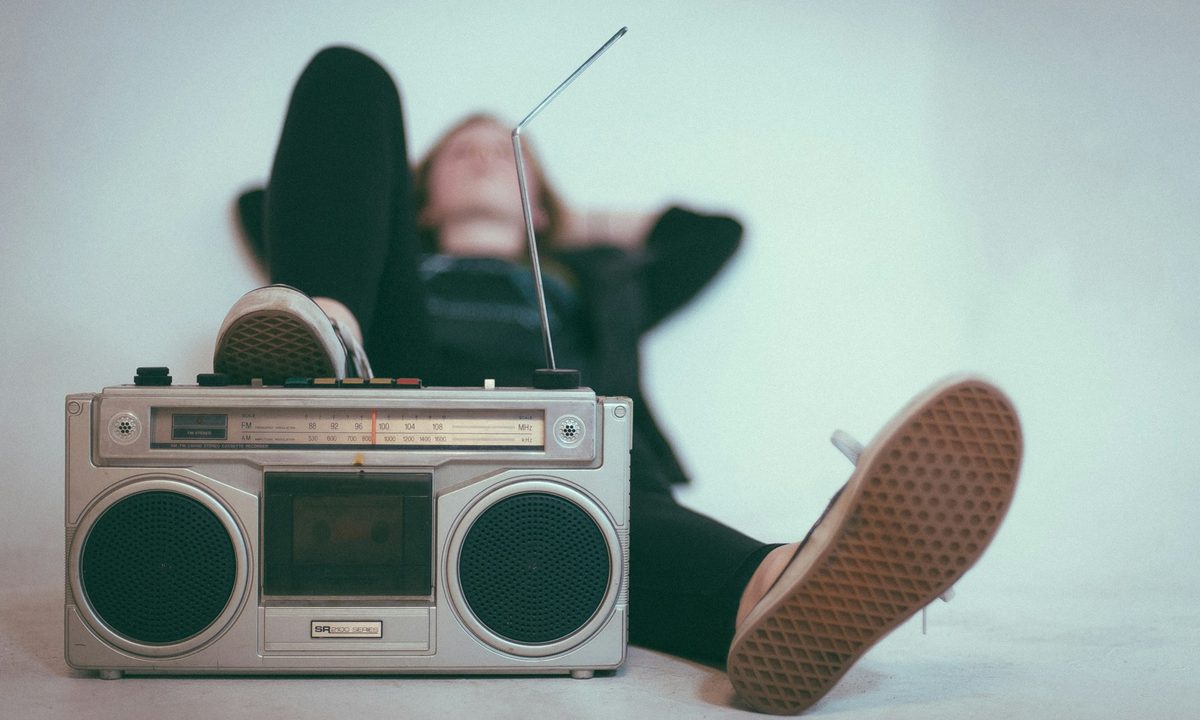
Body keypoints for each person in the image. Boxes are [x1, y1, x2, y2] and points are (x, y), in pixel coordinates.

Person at [217, 46, 1023, 715]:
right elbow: (272, 202)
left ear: (542, 207)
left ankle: (780, 588)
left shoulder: (602, 280)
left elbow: (713, 235)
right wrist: (379, 234)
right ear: (418, 190)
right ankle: (327, 337)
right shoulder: (392, 265)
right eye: (461, 153)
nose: (483, 155)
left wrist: (567, 221)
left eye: (508, 153)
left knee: (614, 501)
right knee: (349, 73)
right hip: (398, 394)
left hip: (566, 447)